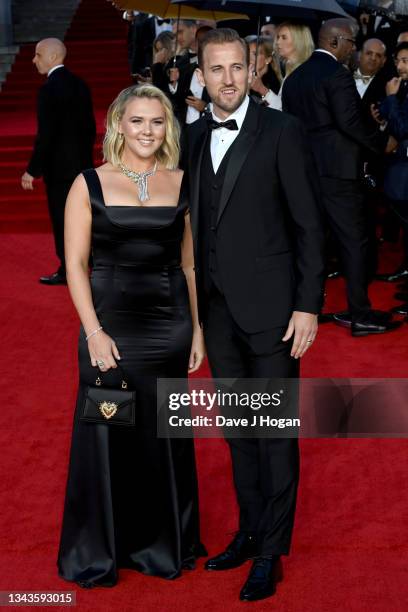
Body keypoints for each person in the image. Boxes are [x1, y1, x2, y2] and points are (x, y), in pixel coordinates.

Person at [183, 28, 326, 602]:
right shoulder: (191, 138)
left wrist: (308, 305)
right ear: (202, 73)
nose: (226, 79)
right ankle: (248, 530)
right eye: (215, 69)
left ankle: (271, 551)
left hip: (273, 312)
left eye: (236, 68)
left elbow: (309, 226)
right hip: (217, 314)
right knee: (238, 434)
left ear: (253, 66)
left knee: (273, 434)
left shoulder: (283, 131)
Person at [57, 84, 206, 586]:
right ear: (118, 124)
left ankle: (164, 543)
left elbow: (188, 265)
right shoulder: (88, 183)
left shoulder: (182, 181)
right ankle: (105, 548)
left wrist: (198, 330)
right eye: (137, 121)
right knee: (109, 430)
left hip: (169, 326)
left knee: (164, 433)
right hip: (111, 329)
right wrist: (94, 332)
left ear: (169, 128)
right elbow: (76, 266)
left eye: (157, 122)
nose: (146, 131)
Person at [282, 18, 401, 336]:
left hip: (306, 172)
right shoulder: (337, 74)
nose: (354, 48)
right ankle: (360, 313)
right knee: (354, 241)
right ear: (335, 42)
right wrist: (382, 142)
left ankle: (307, 308)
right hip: (339, 173)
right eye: (351, 42)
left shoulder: (295, 79)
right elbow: (349, 122)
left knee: (312, 241)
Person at [21, 38, 95, 285]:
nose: (34, 60)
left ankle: (68, 270)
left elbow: (47, 135)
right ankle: (95, 265)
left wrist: (32, 170)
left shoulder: (48, 89)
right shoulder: (81, 85)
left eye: (38, 55)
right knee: (85, 218)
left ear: (52, 57)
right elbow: (90, 128)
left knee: (63, 220)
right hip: (82, 167)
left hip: (59, 171)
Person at [375, 42, 408, 292]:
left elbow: (403, 129)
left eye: (405, 60)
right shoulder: (403, 86)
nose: (399, 66)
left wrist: (391, 99)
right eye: (398, 60)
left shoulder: (398, 90)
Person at [261, 22, 314, 110]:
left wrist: (261, 88)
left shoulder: (304, 72)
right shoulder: (290, 68)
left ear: (299, 40)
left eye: (284, 38)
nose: (278, 42)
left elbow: (286, 110)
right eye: (278, 37)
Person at [246, 35, 281, 103]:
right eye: (247, 53)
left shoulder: (275, 83)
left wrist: (261, 89)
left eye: (255, 54)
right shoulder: (243, 77)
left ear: (268, 59)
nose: (248, 58)